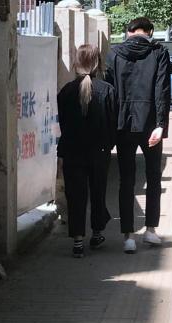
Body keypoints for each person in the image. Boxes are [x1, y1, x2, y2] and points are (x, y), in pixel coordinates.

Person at [105, 16, 170, 254]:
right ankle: (150, 231)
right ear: (150, 31)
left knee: (126, 179)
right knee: (153, 177)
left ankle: (128, 237)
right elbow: (162, 89)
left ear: (129, 31)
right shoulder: (159, 52)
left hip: (123, 124)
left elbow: (110, 92)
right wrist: (161, 124)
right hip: (150, 122)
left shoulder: (114, 54)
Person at [57, 44, 117, 258]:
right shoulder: (107, 90)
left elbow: (63, 124)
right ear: (97, 64)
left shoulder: (65, 91)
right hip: (99, 151)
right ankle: (97, 232)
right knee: (98, 192)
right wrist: (108, 145)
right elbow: (112, 124)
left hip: (72, 151)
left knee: (76, 195)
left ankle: (77, 241)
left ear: (76, 63)